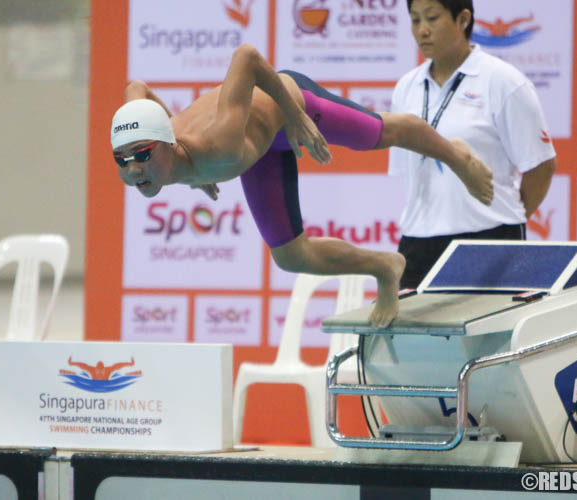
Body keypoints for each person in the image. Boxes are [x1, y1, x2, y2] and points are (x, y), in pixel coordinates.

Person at [111, 43, 494, 327]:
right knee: (291, 256)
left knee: (381, 132)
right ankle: (385, 266)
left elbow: (246, 57)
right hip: (256, 148)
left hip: (290, 103)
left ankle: (457, 156)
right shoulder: (165, 155)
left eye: (142, 155)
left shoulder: (219, 144)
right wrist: (192, 179)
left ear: (167, 144)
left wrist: (294, 117)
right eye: (122, 160)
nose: (133, 170)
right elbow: (137, 88)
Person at [391, 0, 557, 289]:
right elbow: (408, 171)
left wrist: (504, 220)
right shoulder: (406, 87)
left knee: (491, 335)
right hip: (418, 244)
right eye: (415, 20)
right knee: (414, 335)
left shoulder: (503, 81)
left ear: (463, 19)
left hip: (490, 241)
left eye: (432, 18)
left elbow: (541, 167)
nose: (422, 31)